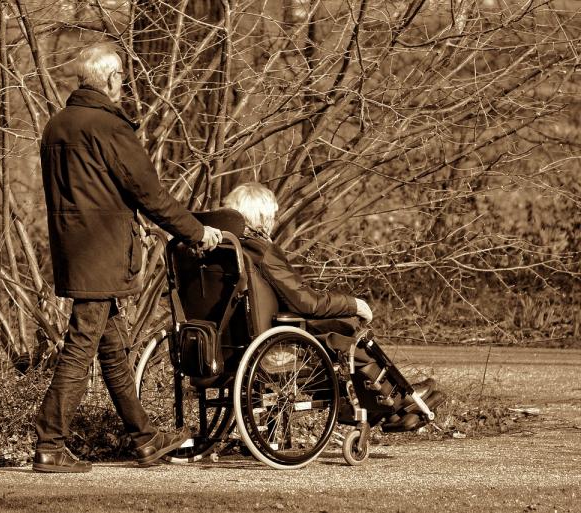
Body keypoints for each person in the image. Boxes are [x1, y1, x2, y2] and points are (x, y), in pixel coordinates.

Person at [35, 42, 223, 473]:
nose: (124, 83)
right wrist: (196, 231)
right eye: (121, 76)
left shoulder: (57, 125)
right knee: (82, 346)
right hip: (102, 254)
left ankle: (144, 439)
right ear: (111, 78)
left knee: (113, 348)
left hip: (73, 250)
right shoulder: (108, 128)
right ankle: (49, 441)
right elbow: (149, 193)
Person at [222, 182, 444, 431]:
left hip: (227, 350)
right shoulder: (261, 251)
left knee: (335, 331)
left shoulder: (221, 252)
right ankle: (394, 401)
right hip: (270, 345)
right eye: (271, 216)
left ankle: (385, 404)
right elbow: (307, 302)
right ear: (261, 218)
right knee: (348, 328)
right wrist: (353, 304)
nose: (273, 222)